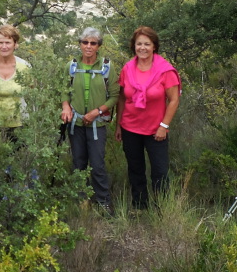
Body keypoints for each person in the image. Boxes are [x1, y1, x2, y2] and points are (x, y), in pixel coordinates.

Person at [115, 26, 181, 210]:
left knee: (160, 172)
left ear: (154, 46)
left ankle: (163, 210)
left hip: (156, 130)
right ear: (133, 46)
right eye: (139, 44)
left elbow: (174, 99)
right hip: (130, 127)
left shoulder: (165, 70)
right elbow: (122, 96)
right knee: (135, 170)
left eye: (146, 44)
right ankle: (139, 206)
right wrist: (119, 124)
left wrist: (164, 125)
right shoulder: (127, 68)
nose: (142, 48)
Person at [61, 27, 119, 210]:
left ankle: (103, 202)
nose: (88, 46)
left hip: (97, 124)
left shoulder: (107, 67)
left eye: (93, 43)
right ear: (80, 44)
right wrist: (65, 107)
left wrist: (97, 112)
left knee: (97, 164)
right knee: (78, 162)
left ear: (99, 46)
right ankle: (81, 201)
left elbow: (115, 95)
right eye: (85, 42)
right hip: (75, 123)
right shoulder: (71, 66)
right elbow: (64, 90)